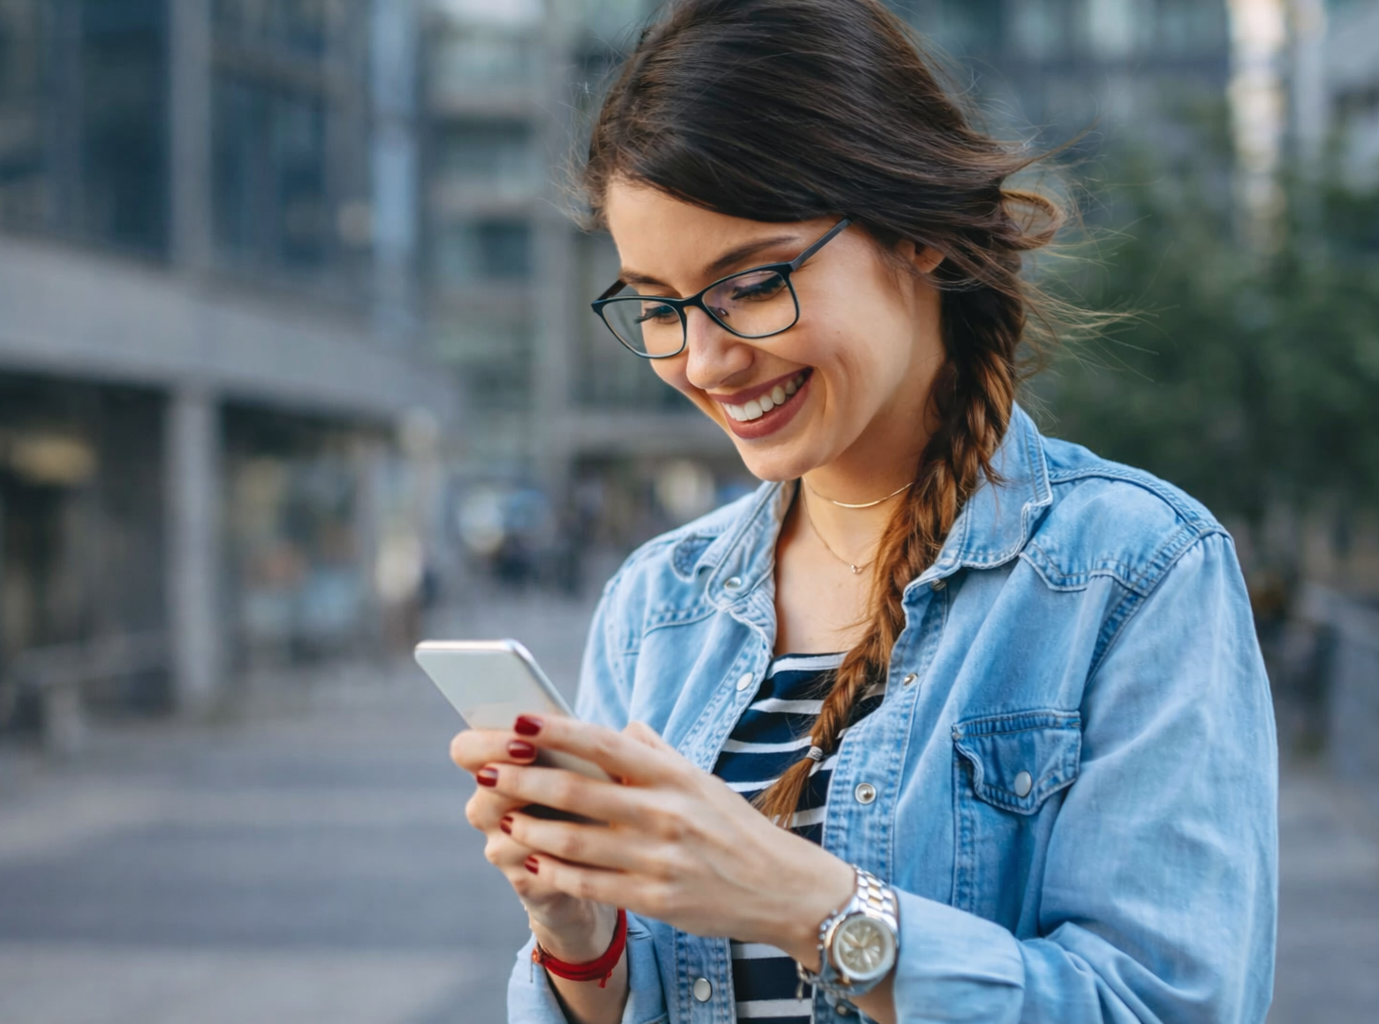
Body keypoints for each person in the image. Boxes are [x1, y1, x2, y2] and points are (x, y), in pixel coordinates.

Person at [450, 1, 1278, 1021]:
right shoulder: (657, 606)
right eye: (659, 307)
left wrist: (813, 905)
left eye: (751, 283)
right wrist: (581, 944)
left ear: (918, 234)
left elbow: (1167, 1005)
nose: (703, 361)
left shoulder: (1135, 571)